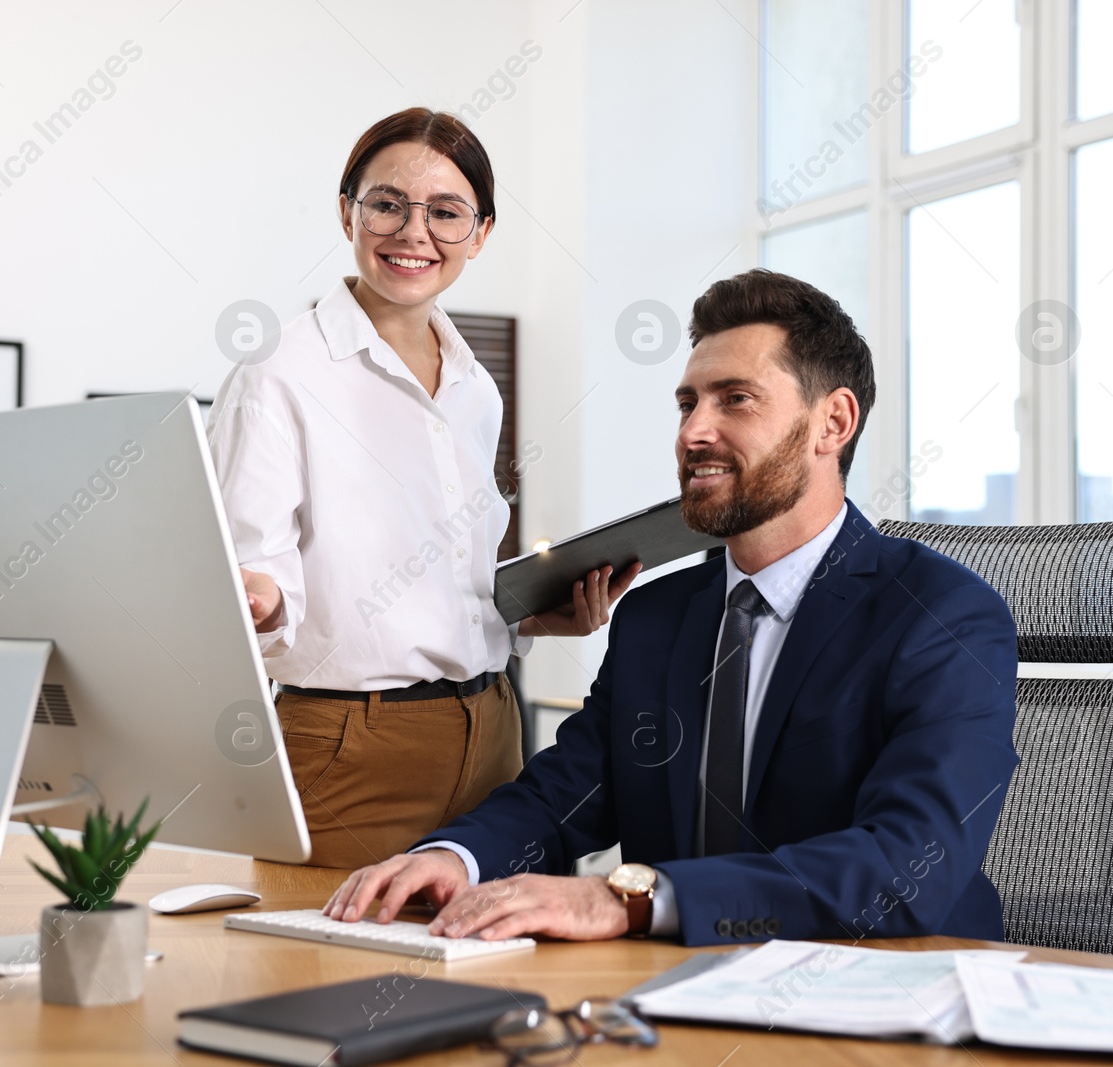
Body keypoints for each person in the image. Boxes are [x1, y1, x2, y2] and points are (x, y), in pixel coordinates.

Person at [323, 269, 1020, 945]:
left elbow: (904, 867)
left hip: (886, 995)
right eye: (688, 404)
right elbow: (561, 798)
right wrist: (456, 857)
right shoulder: (654, 617)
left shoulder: (944, 617)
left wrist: (632, 898)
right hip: (678, 992)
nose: (694, 432)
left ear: (831, 422)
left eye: (735, 399)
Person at [209, 108, 638, 869]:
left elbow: (447, 582)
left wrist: (532, 617)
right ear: (348, 212)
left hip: (494, 728)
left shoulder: (476, 386)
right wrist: (260, 598)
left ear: (481, 232)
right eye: (387, 204)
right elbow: (256, 572)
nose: (414, 233)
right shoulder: (280, 372)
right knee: (328, 976)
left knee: (498, 968)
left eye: (445, 212)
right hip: (350, 744)